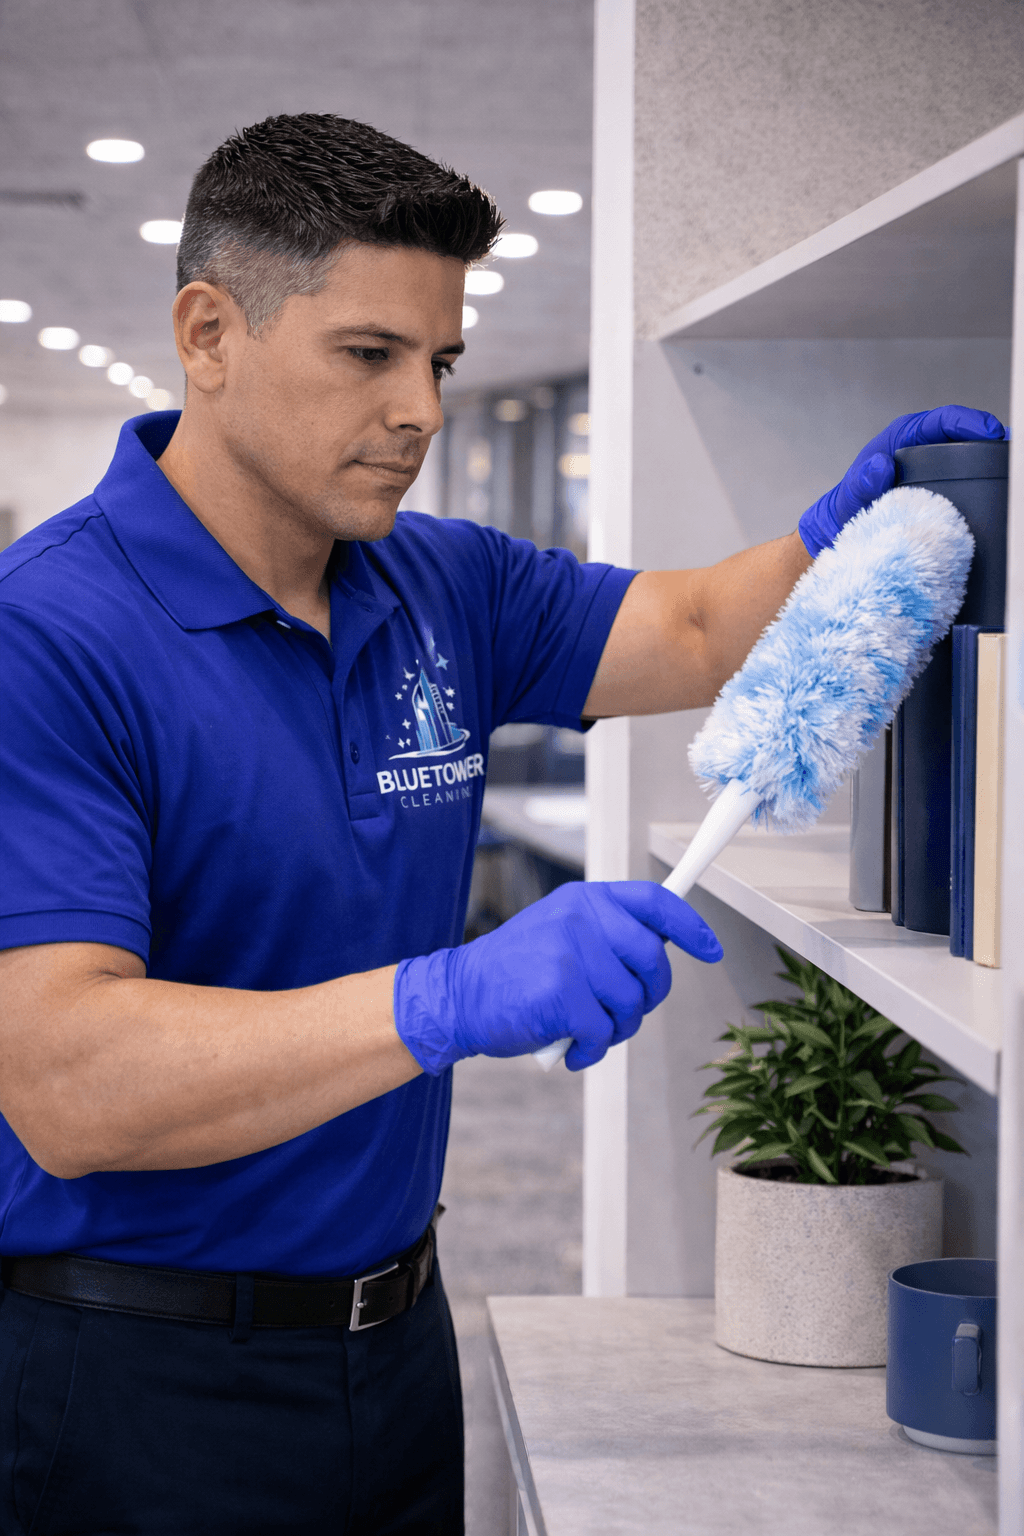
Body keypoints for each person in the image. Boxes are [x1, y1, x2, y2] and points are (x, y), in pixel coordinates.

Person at [0, 112, 1003, 1534]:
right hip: (136, 1386)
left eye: (441, 362)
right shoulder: (47, 633)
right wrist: (447, 997)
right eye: (370, 355)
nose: (423, 408)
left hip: (399, 1351)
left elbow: (698, 623)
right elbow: (66, 1080)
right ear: (208, 333)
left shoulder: (441, 584)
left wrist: (855, 539)